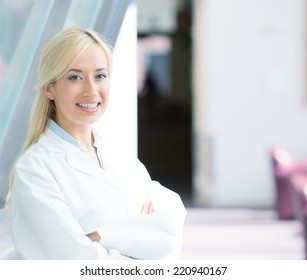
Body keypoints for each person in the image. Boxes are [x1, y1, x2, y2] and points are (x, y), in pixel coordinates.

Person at [9, 26, 186, 260]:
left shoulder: (120, 157)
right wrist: (138, 240)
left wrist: (101, 236)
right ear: (49, 88)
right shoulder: (35, 170)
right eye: (75, 77)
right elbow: (72, 262)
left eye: (100, 75)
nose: (91, 91)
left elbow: (171, 231)